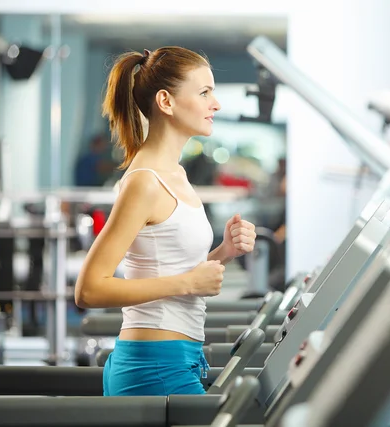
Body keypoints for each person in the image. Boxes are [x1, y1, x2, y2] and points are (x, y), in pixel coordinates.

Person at [74, 47, 257, 396]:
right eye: (204, 93)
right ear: (166, 101)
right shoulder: (144, 181)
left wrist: (223, 252)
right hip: (152, 366)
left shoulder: (175, 173)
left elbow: (174, 271)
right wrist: (187, 282)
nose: (215, 104)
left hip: (177, 358)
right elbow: (89, 288)